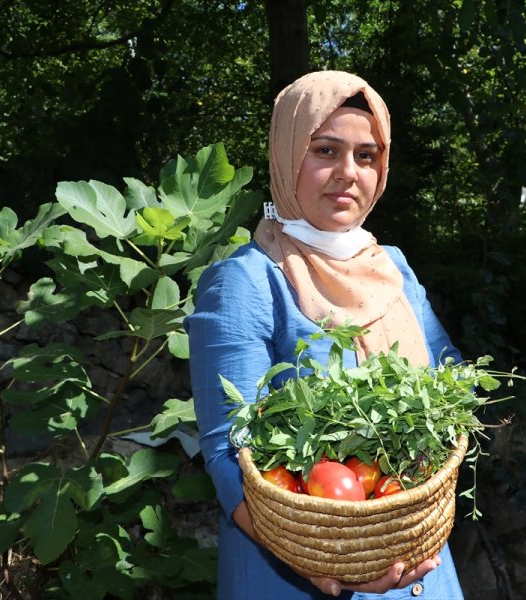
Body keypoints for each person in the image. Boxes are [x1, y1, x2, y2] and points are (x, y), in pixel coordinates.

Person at [186, 70, 465, 599]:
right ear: (287, 155)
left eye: (366, 156)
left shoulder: (394, 269)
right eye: (325, 150)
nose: (347, 173)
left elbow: (451, 373)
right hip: (290, 576)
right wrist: (318, 561)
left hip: (424, 571)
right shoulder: (245, 281)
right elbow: (228, 452)